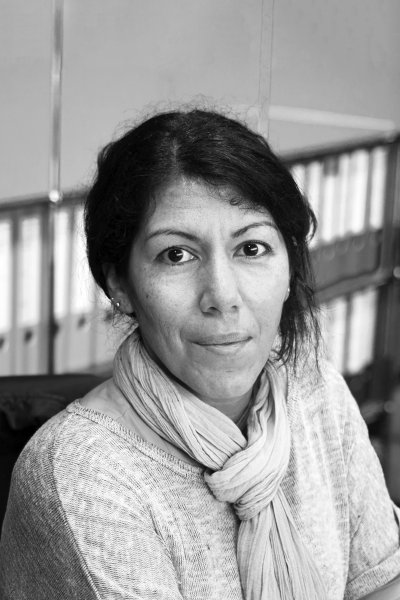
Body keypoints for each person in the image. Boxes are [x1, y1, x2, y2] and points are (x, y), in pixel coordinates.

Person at [0, 109, 399, 600]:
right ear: (119, 283)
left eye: (251, 248)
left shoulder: (313, 388)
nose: (222, 296)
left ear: (291, 266)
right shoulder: (85, 477)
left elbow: (383, 582)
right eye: (177, 255)